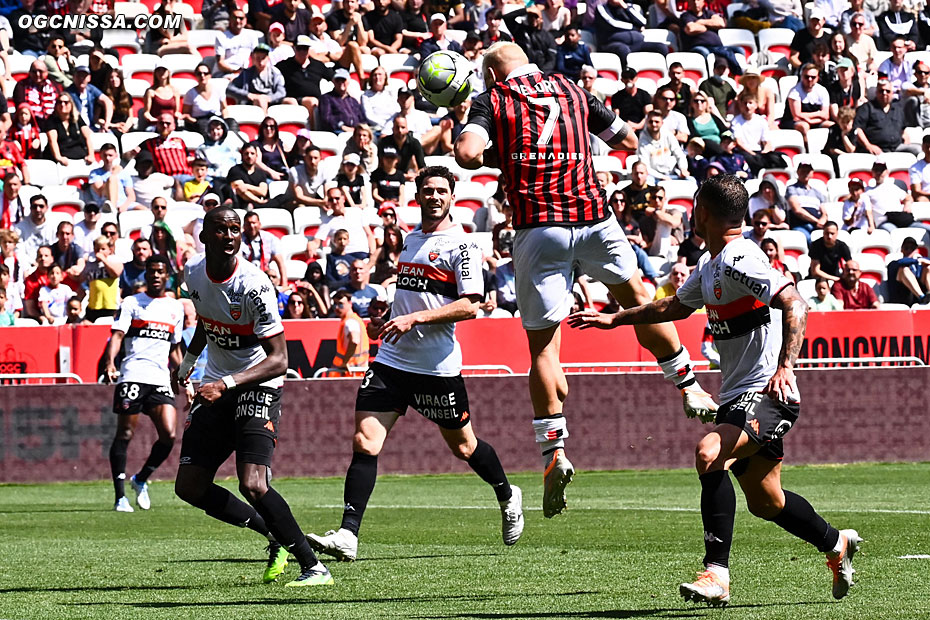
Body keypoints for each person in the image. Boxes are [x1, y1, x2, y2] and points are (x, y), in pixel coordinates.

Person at [567, 173, 860, 607]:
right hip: (739, 397)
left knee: (709, 452)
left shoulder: (740, 258)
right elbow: (673, 306)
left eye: (693, 208)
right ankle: (836, 544)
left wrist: (785, 368)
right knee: (767, 502)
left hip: (767, 393)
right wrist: (615, 319)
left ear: (702, 212)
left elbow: (795, 302)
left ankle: (716, 574)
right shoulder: (711, 266)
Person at [455, 42, 717, 518]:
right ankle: (688, 385)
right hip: (595, 217)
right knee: (637, 294)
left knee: (543, 349)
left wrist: (506, 153)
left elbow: (468, 154)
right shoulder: (574, 89)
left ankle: (555, 451)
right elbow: (628, 141)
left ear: (493, 74)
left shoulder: (492, 99)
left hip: (540, 227)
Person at [307, 166, 524, 561]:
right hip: (392, 360)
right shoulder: (410, 241)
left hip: (436, 367)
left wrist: (414, 319)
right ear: (418, 196)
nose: (434, 196)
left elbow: (472, 305)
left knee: (463, 446)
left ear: (452, 197)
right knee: (365, 441)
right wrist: (387, 315)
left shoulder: (462, 247)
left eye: (442, 190)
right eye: (428, 190)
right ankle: (348, 535)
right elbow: (412, 298)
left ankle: (508, 494)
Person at [173, 206, 333, 586]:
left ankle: (314, 566)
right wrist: (187, 364)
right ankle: (272, 533)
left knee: (254, 483)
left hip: (257, 383)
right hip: (215, 382)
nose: (230, 236)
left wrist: (225, 384)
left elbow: (280, 360)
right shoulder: (193, 271)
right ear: (204, 236)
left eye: (235, 230)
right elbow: (208, 323)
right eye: (221, 229)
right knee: (190, 486)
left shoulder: (254, 285)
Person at [104, 255, 183, 512]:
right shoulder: (132, 303)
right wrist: (111, 362)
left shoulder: (175, 308)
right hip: (133, 375)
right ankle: (119, 497)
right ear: (146, 274)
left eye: (161, 271)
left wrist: (182, 376)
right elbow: (117, 335)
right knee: (125, 434)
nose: (156, 275)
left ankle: (141, 478)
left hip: (160, 378)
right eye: (152, 271)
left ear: (167, 275)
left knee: (169, 435)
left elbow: (175, 348)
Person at [855, 78, 920, 156]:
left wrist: (906, 141)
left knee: (917, 150)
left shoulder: (898, 109)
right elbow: (858, 129)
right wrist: (868, 146)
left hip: (896, 148)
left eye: (887, 91)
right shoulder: (867, 108)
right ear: (876, 92)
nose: (884, 93)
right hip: (875, 150)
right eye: (881, 91)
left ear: (892, 93)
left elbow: (903, 131)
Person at [227, 44, 288, 112]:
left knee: (291, 101)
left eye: (263, 58)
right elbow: (230, 88)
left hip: (272, 101)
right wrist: (248, 95)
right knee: (260, 100)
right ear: (253, 58)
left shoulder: (275, 73)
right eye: (258, 58)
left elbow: (281, 92)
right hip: (252, 102)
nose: (260, 61)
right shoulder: (246, 73)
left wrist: (269, 98)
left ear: (268, 58)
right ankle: (265, 121)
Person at [637, 111, 690, 181]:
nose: (654, 124)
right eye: (651, 121)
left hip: (672, 174)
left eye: (657, 122)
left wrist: (683, 168)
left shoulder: (668, 135)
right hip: (653, 176)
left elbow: (679, 154)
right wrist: (661, 177)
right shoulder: (643, 139)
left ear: (662, 123)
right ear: (646, 122)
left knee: (691, 180)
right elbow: (645, 166)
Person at [786, 162, 828, 242]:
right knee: (808, 239)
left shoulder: (817, 193)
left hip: (817, 226)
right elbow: (797, 210)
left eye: (807, 171)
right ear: (798, 172)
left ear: (812, 173)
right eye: (803, 171)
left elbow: (824, 213)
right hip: (800, 225)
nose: (805, 174)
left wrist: (822, 220)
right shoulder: (791, 189)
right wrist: (816, 221)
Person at [241, 211, 287, 283]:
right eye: (248, 223)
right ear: (244, 226)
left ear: (259, 224)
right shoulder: (239, 240)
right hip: (246, 277)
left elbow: (280, 262)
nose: (251, 226)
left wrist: (284, 284)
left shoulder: (269, 238)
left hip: (265, 275)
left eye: (254, 223)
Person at [887, 237, 930, 305]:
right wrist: (917, 260)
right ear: (902, 250)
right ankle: (922, 297)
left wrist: (922, 261)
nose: (909, 250)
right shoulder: (894, 264)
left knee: (928, 268)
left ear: (916, 250)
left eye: (912, 248)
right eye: (906, 248)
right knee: (905, 270)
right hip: (902, 298)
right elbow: (901, 262)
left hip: (917, 296)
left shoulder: (920, 264)